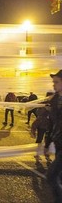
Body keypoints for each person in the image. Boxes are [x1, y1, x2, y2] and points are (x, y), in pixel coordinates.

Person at [44, 70, 62, 203]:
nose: (53, 85)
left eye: (56, 82)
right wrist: (47, 143)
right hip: (58, 143)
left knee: (51, 175)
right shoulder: (55, 100)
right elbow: (52, 122)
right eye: (53, 82)